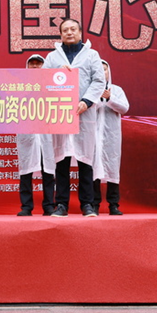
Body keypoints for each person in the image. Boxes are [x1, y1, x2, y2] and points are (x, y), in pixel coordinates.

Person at [44, 18, 106, 217]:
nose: (69, 33)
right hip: (61, 114)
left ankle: (87, 204)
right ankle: (62, 204)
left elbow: (99, 81)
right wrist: (56, 74)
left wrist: (86, 101)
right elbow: (42, 81)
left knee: (85, 161)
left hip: (84, 114)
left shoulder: (92, 55)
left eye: (73, 29)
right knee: (61, 160)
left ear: (80, 32)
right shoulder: (52, 57)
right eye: (65, 30)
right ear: (60, 34)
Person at [16, 54, 56, 216]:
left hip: (47, 135)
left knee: (49, 171)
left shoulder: (52, 86)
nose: (35, 66)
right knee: (26, 171)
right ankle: (26, 206)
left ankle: (49, 206)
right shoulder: (18, 86)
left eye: (38, 64)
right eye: (31, 64)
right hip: (27, 135)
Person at [92, 60, 129, 216]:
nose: (102, 72)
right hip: (92, 135)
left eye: (105, 69)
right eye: (99, 69)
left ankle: (113, 205)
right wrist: (97, 98)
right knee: (93, 170)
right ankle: (93, 205)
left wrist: (109, 98)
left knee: (112, 169)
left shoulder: (117, 90)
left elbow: (125, 108)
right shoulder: (89, 89)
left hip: (111, 136)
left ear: (109, 72)